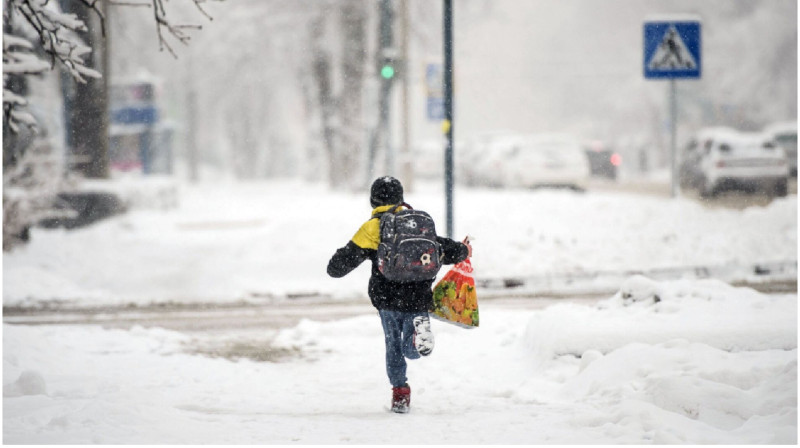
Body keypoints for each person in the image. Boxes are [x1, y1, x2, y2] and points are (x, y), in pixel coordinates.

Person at [327, 176, 472, 413]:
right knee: (411, 349)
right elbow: (444, 248)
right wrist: (464, 249)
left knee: (393, 346)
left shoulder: (372, 228)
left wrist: (343, 256)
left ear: (373, 200)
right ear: (401, 198)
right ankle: (417, 339)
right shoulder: (417, 223)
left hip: (387, 299)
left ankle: (400, 394)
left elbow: (337, 268)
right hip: (419, 296)